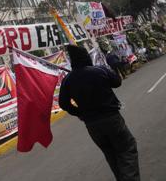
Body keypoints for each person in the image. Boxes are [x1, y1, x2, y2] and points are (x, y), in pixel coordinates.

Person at [59, 45, 140, 181]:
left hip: (92, 124)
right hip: (111, 118)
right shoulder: (99, 70)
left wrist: (80, 113)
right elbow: (117, 82)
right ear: (87, 57)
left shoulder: (68, 80)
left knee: (111, 155)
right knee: (127, 150)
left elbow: (63, 103)